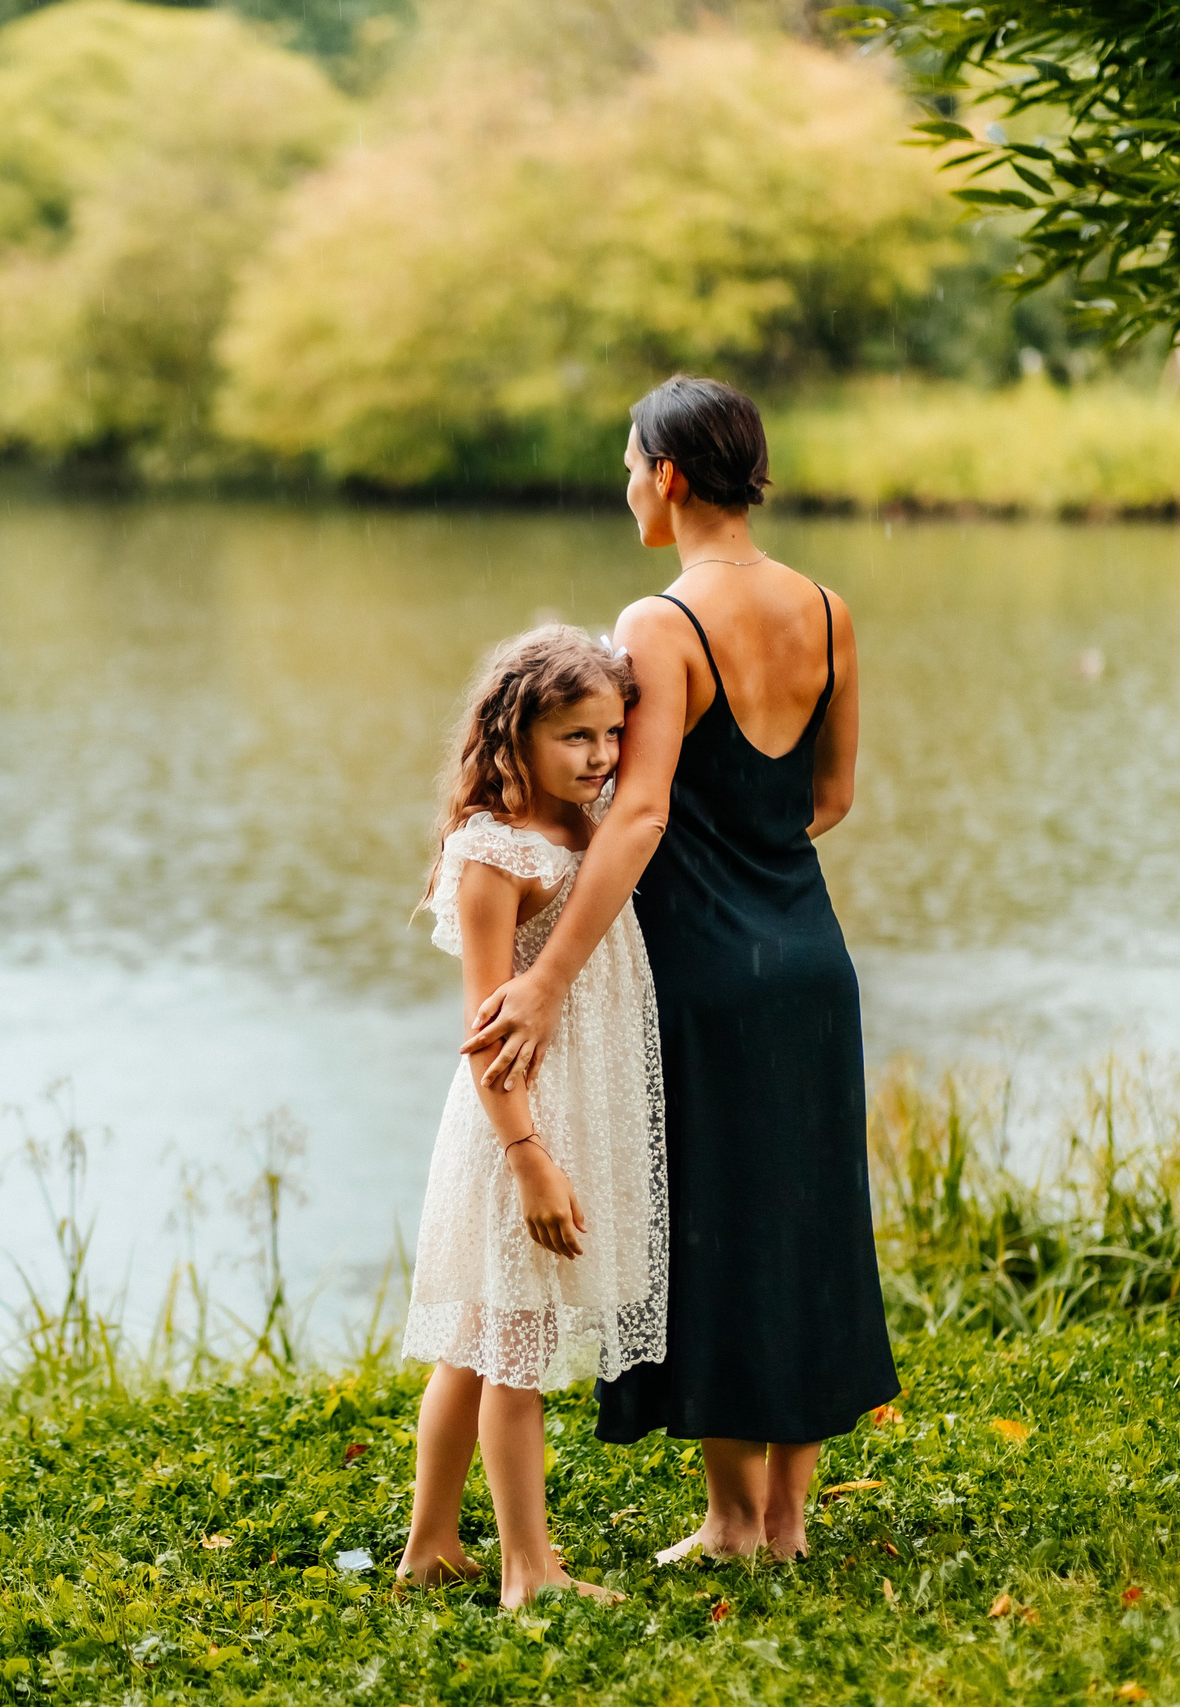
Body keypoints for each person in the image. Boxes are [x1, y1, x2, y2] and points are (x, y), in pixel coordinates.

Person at [464, 375, 897, 1565]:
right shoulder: (828, 609)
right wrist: (757, 870)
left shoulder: (659, 622)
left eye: (625, 466)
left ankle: (727, 1520)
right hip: (811, 958)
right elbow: (831, 798)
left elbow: (640, 809)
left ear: (668, 476)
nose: (623, 488)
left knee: (718, 1224)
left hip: (702, 969)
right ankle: (787, 1524)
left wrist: (545, 982)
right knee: (807, 1223)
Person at [398, 625, 667, 1608]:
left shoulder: (585, 826)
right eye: (575, 738)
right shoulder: (493, 857)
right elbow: (483, 1030)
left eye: (609, 735)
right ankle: (528, 1572)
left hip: (552, 1114)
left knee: (473, 1339)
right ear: (515, 737)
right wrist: (527, 1157)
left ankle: (429, 1546)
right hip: (514, 1122)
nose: (599, 758)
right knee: (511, 1349)